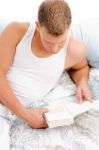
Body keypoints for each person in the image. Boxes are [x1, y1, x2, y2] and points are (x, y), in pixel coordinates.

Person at [0, 0, 92, 131]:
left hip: (7, 115)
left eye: (60, 43)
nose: (54, 49)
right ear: (38, 25)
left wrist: (82, 83)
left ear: (69, 27)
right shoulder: (16, 31)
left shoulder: (76, 49)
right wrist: (27, 116)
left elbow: (81, 67)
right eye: (48, 42)